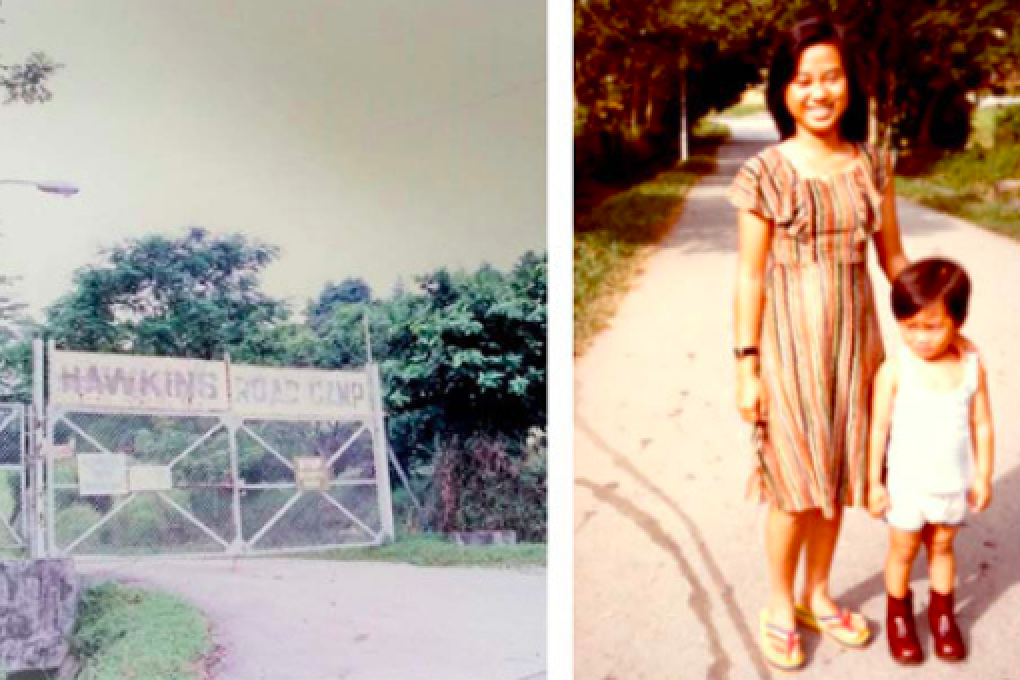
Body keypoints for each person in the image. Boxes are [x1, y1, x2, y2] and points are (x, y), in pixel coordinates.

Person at [729, 16, 909, 671]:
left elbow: (893, 260)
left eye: (830, 77)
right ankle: (779, 603)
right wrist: (746, 367)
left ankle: (817, 593)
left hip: (857, 350)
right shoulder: (765, 173)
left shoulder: (872, 165)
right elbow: (750, 275)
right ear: (784, 90)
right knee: (791, 486)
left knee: (835, 479)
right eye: (803, 79)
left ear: (849, 83)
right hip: (788, 353)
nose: (819, 91)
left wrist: (934, 321)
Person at [867, 258, 994, 664]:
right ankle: (899, 617)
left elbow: (983, 423)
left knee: (942, 546)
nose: (920, 337)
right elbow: (878, 429)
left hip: (951, 482)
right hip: (907, 486)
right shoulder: (896, 369)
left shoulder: (971, 366)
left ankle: (943, 617)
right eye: (910, 326)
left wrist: (985, 475)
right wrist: (873, 482)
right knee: (903, 549)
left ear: (958, 321)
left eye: (932, 326)